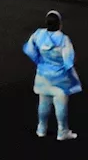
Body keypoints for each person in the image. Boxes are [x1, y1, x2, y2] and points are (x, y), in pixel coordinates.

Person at [23, 10, 80, 140]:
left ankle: (41, 129)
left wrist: (39, 61)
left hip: (43, 76)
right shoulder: (64, 40)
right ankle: (62, 131)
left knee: (43, 103)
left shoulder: (38, 35)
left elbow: (29, 50)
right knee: (60, 105)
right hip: (60, 78)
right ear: (59, 24)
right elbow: (69, 61)